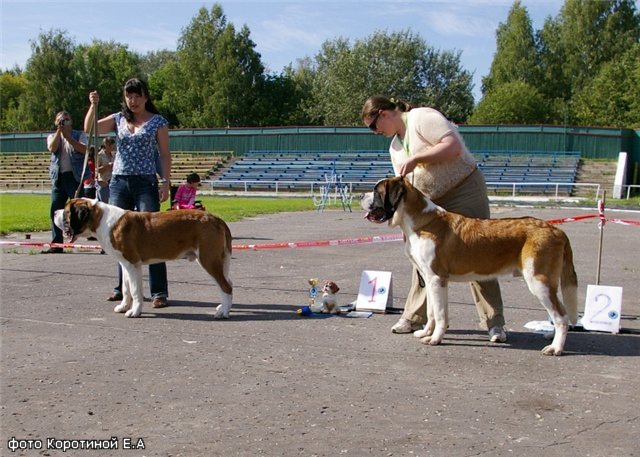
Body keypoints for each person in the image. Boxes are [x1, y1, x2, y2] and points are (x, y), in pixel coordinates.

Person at [361, 95, 507, 343]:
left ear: (384, 114)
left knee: (480, 250)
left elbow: (453, 147)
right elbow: (402, 187)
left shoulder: (422, 117)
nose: (375, 132)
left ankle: (494, 322)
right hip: (429, 201)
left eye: (373, 126)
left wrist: (418, 158)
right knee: (419, 257)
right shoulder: (394, 147)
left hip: (463, 189)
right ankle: (416, 317)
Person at [84, 77, 172, 308]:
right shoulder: (118, 119)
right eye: (128, 96)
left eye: (137, 96)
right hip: (119, 182)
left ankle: (159, 291)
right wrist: (93, 106)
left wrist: (165, 181)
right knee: (117, 236)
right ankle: (123, 291)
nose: (133, 101)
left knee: (153, 235)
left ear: (145, 97)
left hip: (145, 182)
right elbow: (89, 129)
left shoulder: (158, 121)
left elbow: (164, 154)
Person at [43, 111, 88, 254]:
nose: (63, 121)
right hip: (59, 178)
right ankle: (56, 244)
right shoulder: (52, 136)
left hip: (75, 178)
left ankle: (95, 239)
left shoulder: (79, 135)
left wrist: (68, 137)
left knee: (82, 211)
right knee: (55, 210)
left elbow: (84, 150)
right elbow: (52, 147)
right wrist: (59, 132)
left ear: (71, 121)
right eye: (60, 119)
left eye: (66, 119)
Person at [96, 137, 116, 202]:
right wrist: (107, 166)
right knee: (105, 204)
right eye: (112, 146)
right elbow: (96, 170)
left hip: (113, 182)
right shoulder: (99, 155)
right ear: (107, 145)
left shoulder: (114, 154)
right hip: (104, 183)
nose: (113, 148)